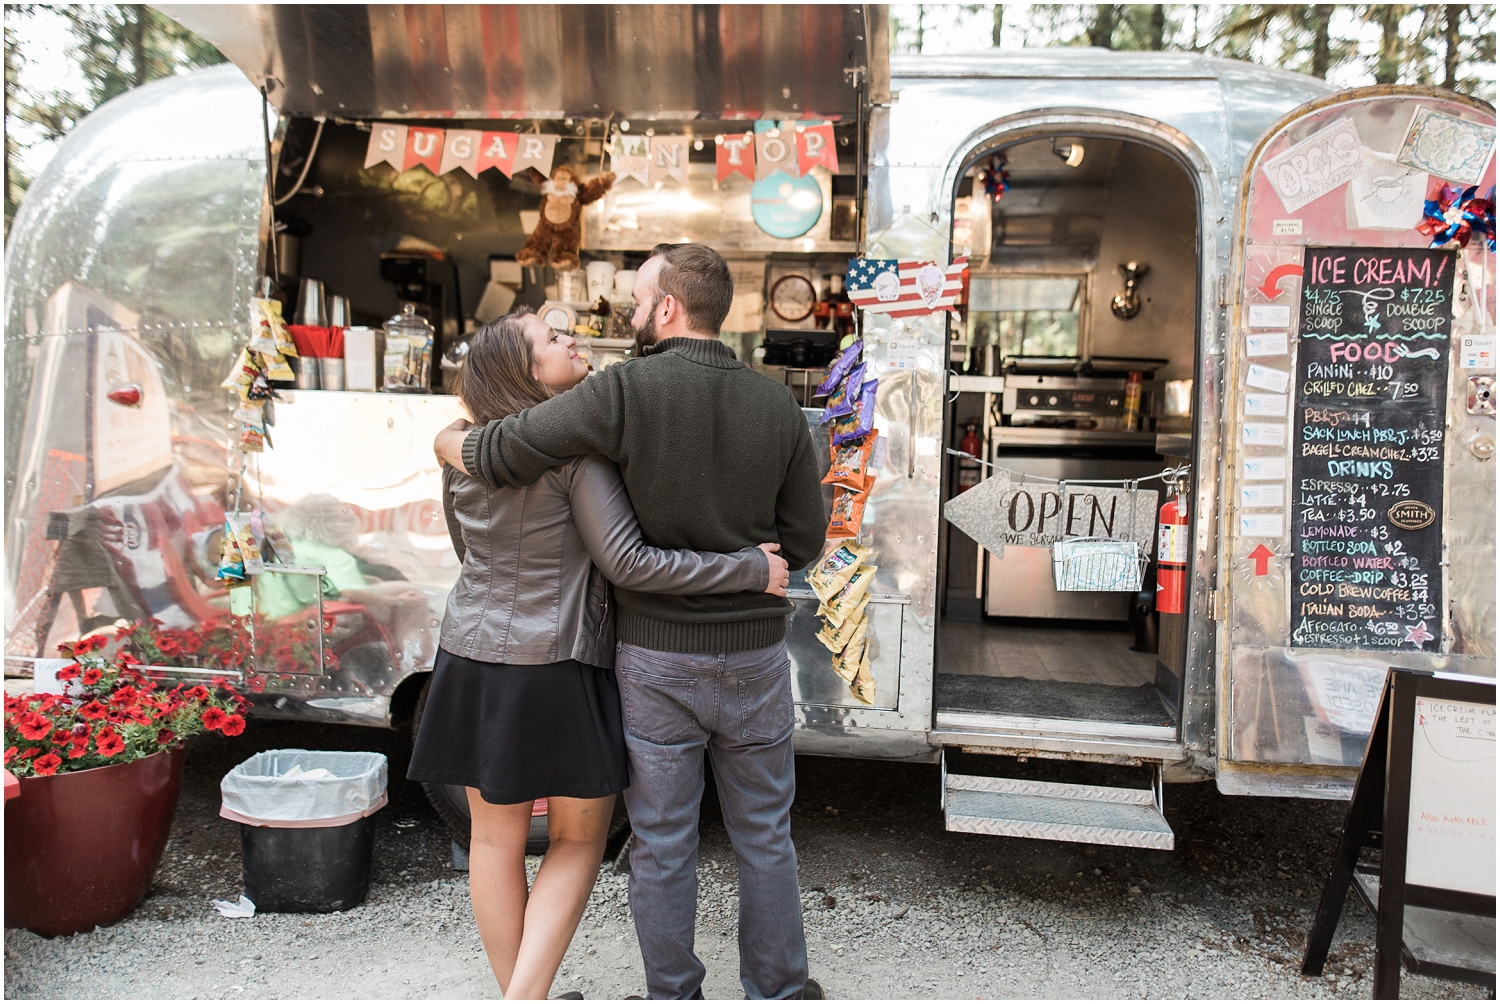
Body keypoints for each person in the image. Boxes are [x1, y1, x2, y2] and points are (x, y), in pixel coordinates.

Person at [434, 244, 827, 1000]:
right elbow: (804, 541)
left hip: (652, 657)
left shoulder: (620, 393)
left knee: (662, 838)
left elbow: (502, 451)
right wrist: (751, 560)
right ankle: (780, 989)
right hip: (751, 656)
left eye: (638, 300)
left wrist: (449, 439)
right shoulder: (777, 403)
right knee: (764, 835)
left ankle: (671, 991)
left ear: (668, 309)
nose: (626, 315)